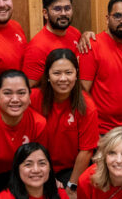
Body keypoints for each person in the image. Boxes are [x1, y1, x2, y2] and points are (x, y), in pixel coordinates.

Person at [31, 49, 98, 191]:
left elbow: (85, 151)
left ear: (76, 74)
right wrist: (46, 176)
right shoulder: (33, 98)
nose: (63, 79)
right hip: (36, 166)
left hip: (70, 170)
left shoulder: (86, 105)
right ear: (48, 75)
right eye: (56, 73)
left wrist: (72, 187)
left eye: (68, 73)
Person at [80, 0, 122, 134]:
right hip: (101, 129)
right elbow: (83, 93)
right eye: (118, 16)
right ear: (107, 19)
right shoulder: (92, 46)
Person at [22, 0, 90, 86]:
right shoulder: (37, 48)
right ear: (45, 13)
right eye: (57, 9)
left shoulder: (75, 33)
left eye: (67, 8)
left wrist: (86, 34)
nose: (63, 13)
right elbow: (29, 90)